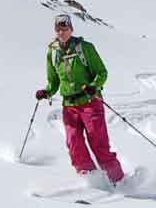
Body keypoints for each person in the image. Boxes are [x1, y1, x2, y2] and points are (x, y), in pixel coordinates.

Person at [36, 14, 125, 185]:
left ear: (71, 29)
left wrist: (94, 85)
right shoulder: (52, 52)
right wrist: (46, 92)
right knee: (74, 144)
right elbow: (53, 81)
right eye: (58, 29)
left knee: (98, 143)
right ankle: (92, 180)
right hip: (69, 105)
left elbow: (102, 73)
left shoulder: (85, 48)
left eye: (65, 29)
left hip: (90, 102)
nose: (61, 32)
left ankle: (118, 181)